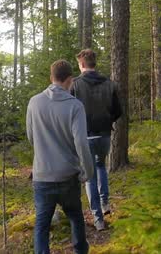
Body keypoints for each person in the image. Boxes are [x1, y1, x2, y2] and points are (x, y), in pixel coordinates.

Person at [26, 60, 94, 254]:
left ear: (51, 78)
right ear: (70, 80)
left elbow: (31, 137)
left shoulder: (34, 102)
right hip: (68, 176)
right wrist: (87, 172)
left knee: (41, 226)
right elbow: (81, 143)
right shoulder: (75, 106)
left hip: (42, 175)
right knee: (75, 217)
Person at [71, 49, 122, 231]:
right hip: (105, 134)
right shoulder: (109, 83)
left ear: (82, 64)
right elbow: (118, 110)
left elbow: (69, 110)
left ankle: (98, 218)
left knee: (89, 177)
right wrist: (107, 121)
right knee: (101, 166)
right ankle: (105, 203)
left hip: (86, 136)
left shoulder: (75, 85)